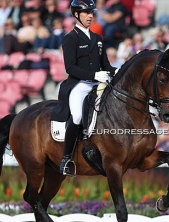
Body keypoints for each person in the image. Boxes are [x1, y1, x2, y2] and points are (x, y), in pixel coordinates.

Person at [54, 0, 117, 176]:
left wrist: (119, 70)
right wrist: (94, 75)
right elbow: (71, 68)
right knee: (78, 116)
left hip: (98, 83)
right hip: (79, 85)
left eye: (92, 13)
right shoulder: (70, 38)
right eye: (86, 13)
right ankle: (66, 158)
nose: (90, 16)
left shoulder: (98, 39)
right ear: (76, 15)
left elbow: (106, 65)